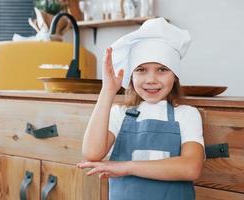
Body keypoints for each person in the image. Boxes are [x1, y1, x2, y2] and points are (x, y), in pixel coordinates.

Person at [77, 17, 205, 200]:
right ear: (131, 75)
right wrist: (108, 90)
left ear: (175, 75)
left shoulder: (187, 114)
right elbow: (92, 153)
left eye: (162, 69)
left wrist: (126, 167)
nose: (151, 79)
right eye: (141, 70)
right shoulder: (119, 114)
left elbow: (191, 168)